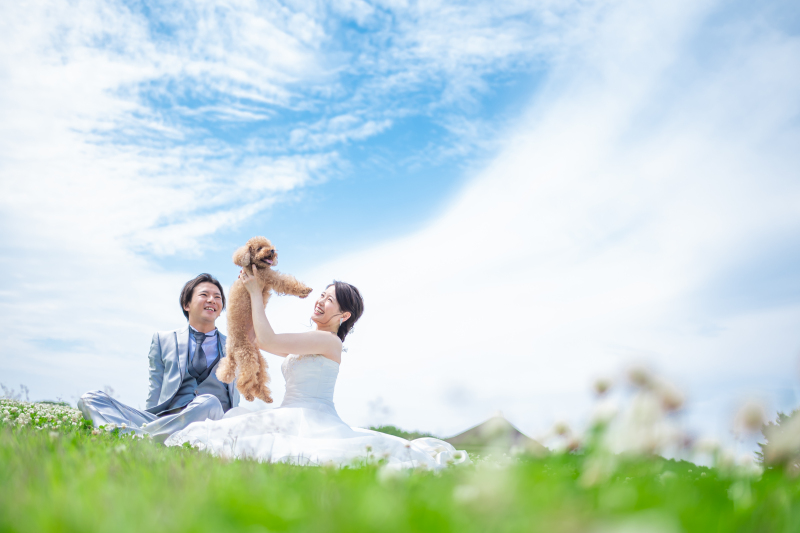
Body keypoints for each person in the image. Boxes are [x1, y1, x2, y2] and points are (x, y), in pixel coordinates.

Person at [165, 266, 468, 470]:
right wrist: (252, 292)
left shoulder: (329, 342)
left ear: (344, 315)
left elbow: (268, 339)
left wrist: (256, 293)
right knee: (231, 430)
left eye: (329, 300)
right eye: (322, 295)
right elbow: (257, 339)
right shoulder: (311, 340)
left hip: (312, 416)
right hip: (288, 412)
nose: (320, 301)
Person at [78, 274, 239, 443]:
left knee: (209, 402)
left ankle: (135, 436)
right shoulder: (163, 340)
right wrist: (148, 415)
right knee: (91, 398)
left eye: (217, 297)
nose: (212, 300)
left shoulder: (235, 346)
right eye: (204, 295)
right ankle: (150, 436)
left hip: (212, 423)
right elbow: (155, 388)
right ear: (187, 305)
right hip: (164, 420)